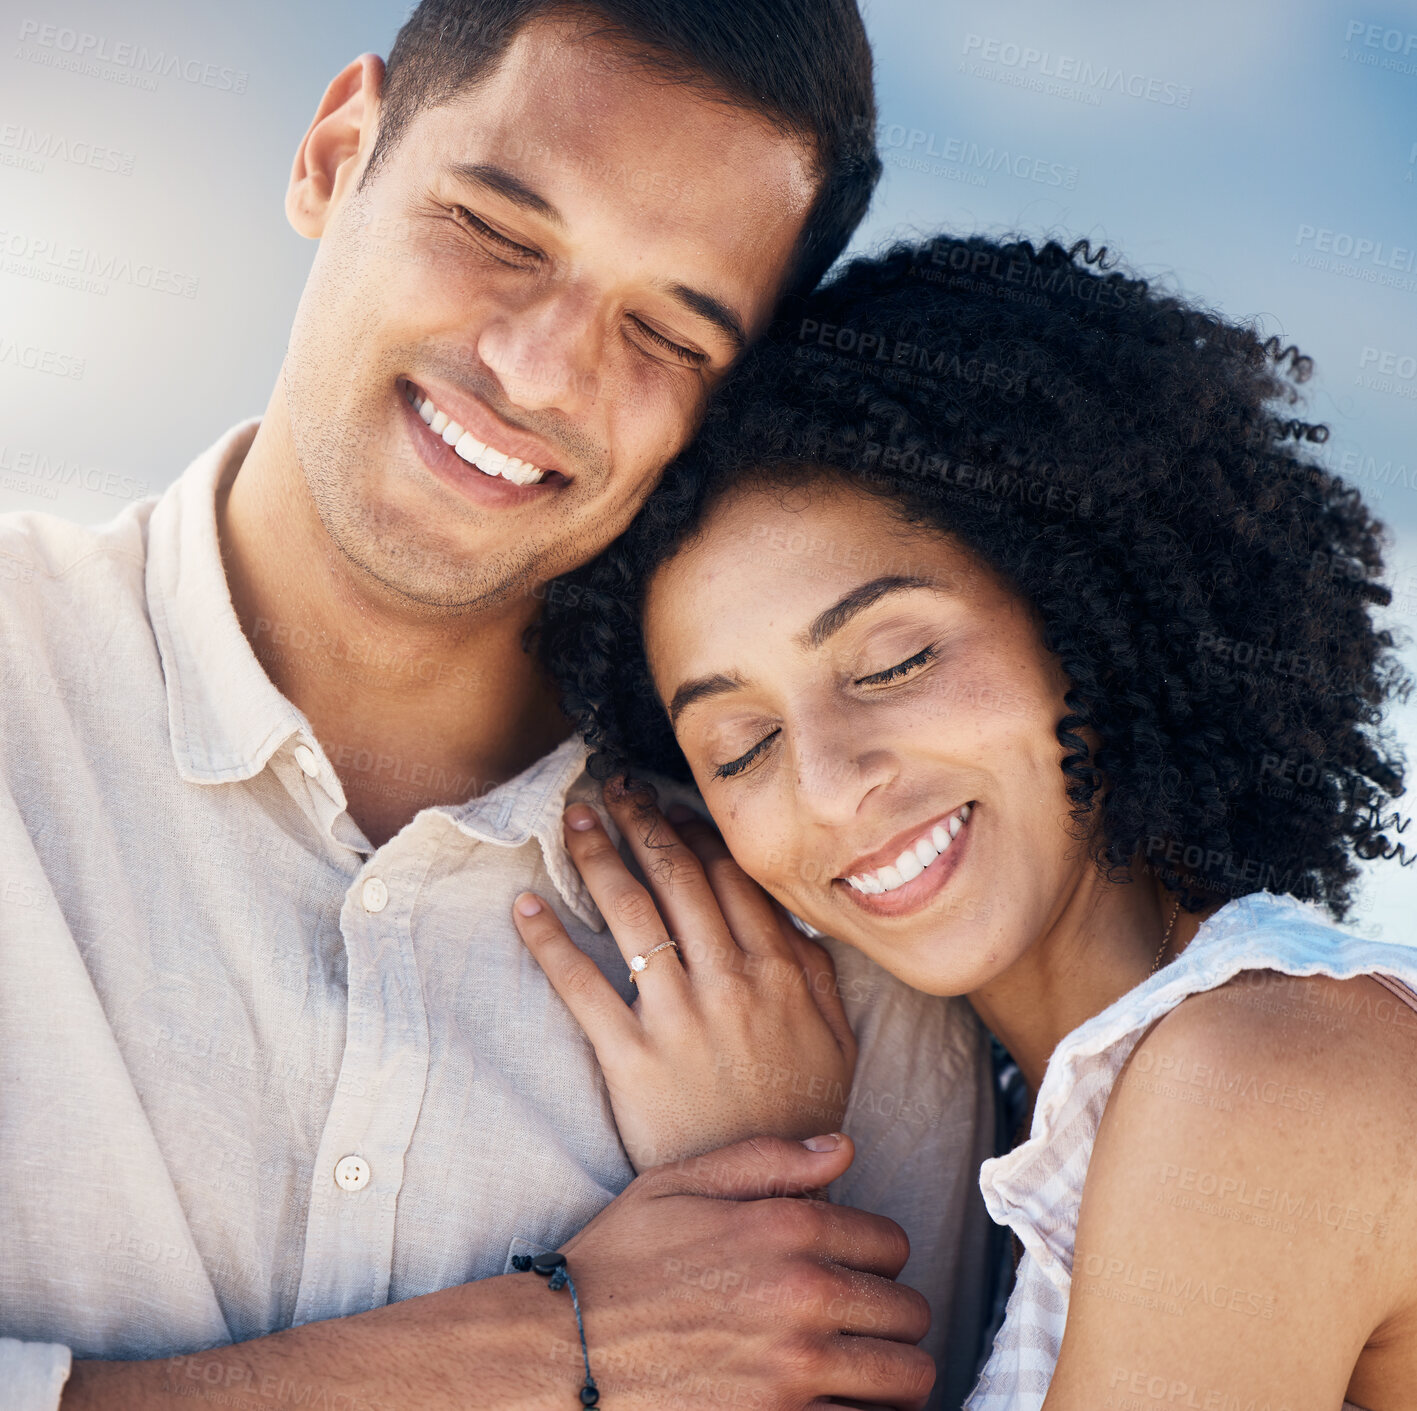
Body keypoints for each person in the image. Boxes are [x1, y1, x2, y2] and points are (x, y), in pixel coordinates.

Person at [0, 9, 999, 1410]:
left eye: (664, 328)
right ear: (337, 154)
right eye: (498, 231)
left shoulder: (830, 943)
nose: (537, 368)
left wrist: (774, 1174)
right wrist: (558, 1349)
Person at [528, 232, 1417, 1409]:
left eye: (892, 662)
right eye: (740, 746)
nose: (830, 786)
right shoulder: (1039, 1125)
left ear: (1081, 610)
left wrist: (748, 1180)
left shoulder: (1260, 1070)